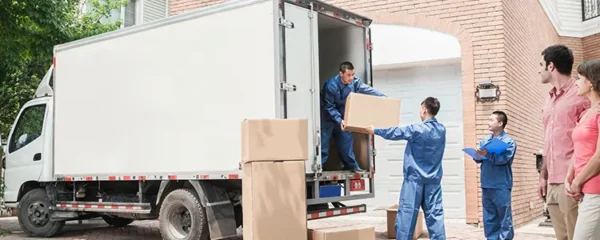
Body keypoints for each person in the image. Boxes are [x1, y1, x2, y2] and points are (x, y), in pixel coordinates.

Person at [366, 97, 446, 240]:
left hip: (414, 181)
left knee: (407, 217)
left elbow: (395, 133)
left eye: (420, 109)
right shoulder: (441, 130)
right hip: (433, 181)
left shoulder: (417, 129)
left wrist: (375, 130)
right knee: (435, 216)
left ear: (424, 110)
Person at [538, 45, 590, 240]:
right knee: (562, 237)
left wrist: (577, 179)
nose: (539, 69)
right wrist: (543, 176)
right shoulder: (549, 99)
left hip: (571, 180)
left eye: (541, 65)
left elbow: (587, 141)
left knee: (578, 236)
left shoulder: (581, 94)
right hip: (552, 180)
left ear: (551, 66)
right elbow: (548, 140)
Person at [320, 61, 385, 173]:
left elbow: (367, 89)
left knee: (346, 140)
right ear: (341, 74)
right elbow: (329, 106)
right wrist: (339, 120)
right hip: (328, 115)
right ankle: (320, 165)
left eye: (353, 74)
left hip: (342, 114)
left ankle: (350, 165)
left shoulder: (354, 82)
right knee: (324, 141)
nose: (351, 77)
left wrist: (382, 96)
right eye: (348, 75)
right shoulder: (331, 85)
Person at [565, 60, 600, 239]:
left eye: (579, 78)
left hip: (596, 190)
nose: (576, 82)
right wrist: (569, 176)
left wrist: (577, 181)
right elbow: (578, 149)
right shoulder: (587, 113)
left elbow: (599, 157)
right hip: (584, 190)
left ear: (591, 83)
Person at [474, 111, 517, 240]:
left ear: (500, 123)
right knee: (489, 217)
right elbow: (478, 159)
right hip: (486, 184)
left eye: (491, 120)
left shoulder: (509, 142)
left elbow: (503, 159)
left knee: (504, 218)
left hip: (501, 185)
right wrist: (477, 154)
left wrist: (487, 154)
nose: (488, 122)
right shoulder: (485, 141)